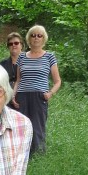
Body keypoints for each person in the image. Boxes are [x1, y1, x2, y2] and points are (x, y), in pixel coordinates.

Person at [15, 24, 61, 155]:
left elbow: (58, 81)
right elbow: (18, 79)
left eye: (39, 35)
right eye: (33, 35)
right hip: (22, 96)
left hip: (39, 97)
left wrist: (50, 94)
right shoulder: (22, 57)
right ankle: (22, 155)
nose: (36, 38)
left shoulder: (49, 57)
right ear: (29, 39)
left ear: (44, 39)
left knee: (37, 126)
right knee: (22, 127)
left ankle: (38, 155)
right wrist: (13, 96)